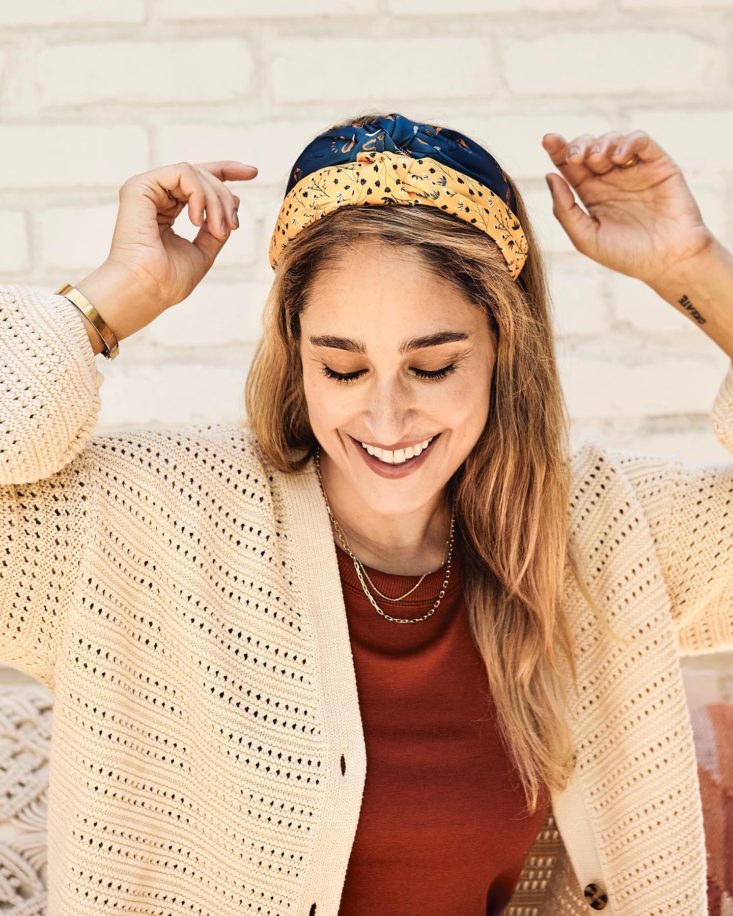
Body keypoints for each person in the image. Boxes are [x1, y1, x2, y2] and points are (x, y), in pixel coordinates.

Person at [1, 111, 732, 916]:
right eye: (342, 368)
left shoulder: (589, 532)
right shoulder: (149, 523)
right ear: (295, 352)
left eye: (433, 365)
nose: (386, 420)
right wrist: (110, 301)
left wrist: (694, 272)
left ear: (502, 350)